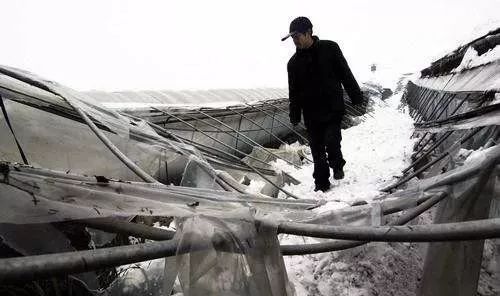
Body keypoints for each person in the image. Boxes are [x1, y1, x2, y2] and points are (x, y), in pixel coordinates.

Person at [282, 16, 365, 192]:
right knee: (316, 150)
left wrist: (356, 96)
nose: (295, 41)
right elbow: (293, 92)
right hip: (311, 114)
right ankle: (321, 183)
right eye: (293, 38)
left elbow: (345, 73)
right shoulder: (293, 64)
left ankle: (337, 164)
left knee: (332, 142)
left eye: (297, 36)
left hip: (332, 108)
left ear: (308, 32)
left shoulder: (330, 48)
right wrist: (295, 114)